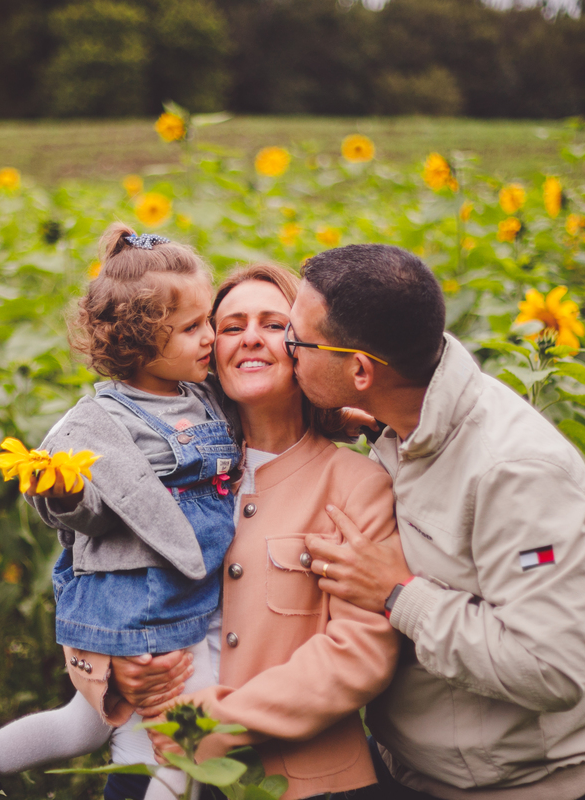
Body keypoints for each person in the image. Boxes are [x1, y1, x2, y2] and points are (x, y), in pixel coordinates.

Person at [0, 223, 241, 800]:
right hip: (148, 597)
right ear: (139, 341)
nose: (209, 337)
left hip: (185, 591)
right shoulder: (100, 424)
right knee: (183, 735)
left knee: (82, 724)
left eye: (208, 321)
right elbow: (89, 511)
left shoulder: (199, 396)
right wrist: (62, 491)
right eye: (191, 328)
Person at [288, 244, 585, 800]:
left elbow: (555, 668)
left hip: (502, 787)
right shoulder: (406, 417)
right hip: (408, 764)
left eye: (295, 339)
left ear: (360, 369)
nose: (283, 349)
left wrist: (398, 593)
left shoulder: (517, 476)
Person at [112, 264, 399, 800]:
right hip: (153, 763)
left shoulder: (356, 484)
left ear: (303, 346)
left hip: (308, 782)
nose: (250, 338)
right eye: (231, 325)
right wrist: (116, 668)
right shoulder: (169, 473)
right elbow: (101, 577)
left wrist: (217, 722)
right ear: (208, 350)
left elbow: (360, 653)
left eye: (272, 323)